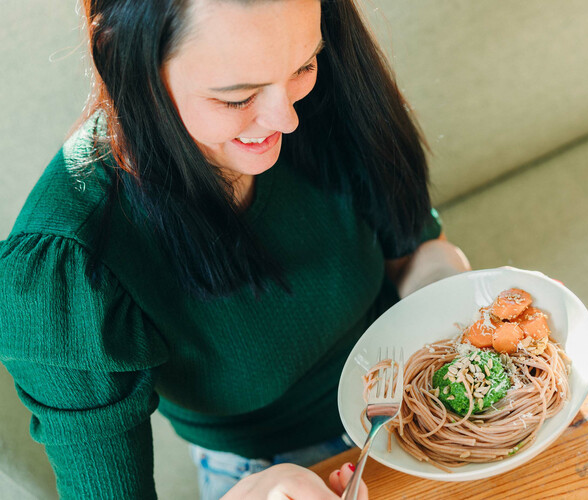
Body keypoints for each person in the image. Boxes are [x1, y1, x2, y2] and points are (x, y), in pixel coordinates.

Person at [0, 0, 471, 498]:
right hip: (264, 470)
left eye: (303, 66)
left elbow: (415, 249)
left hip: (413, 395)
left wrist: (457, 319)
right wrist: (254, 490)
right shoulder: (67, 268)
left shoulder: (324, 89)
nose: (287, 120)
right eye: (236, 98)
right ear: (125, 61)